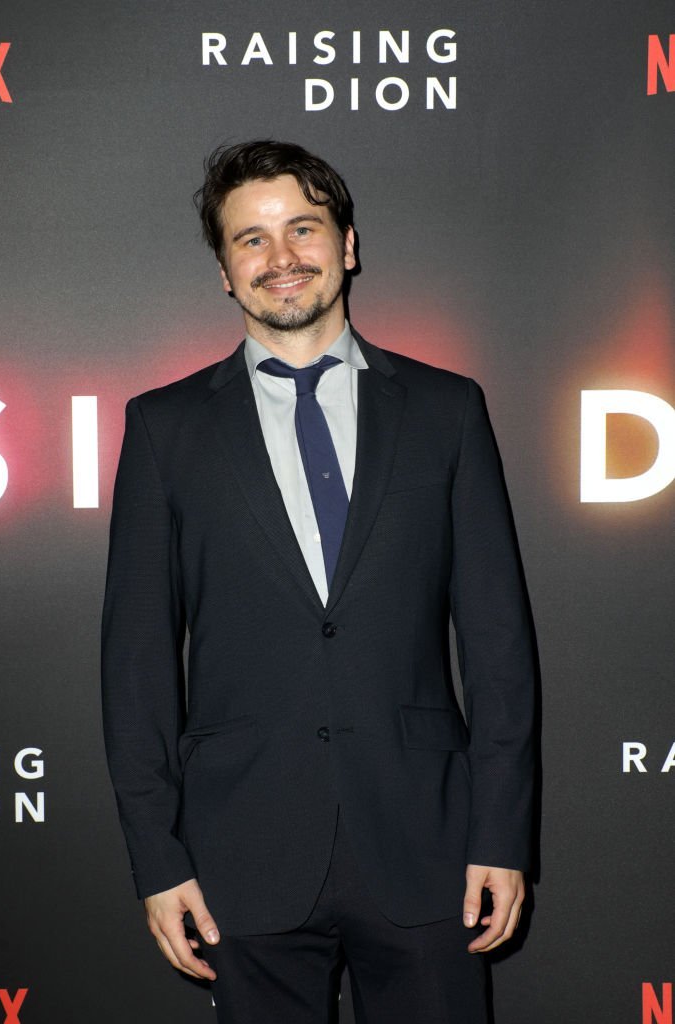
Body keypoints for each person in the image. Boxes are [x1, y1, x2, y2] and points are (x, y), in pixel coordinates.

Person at [101, 140, 536, 1024]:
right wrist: (159, 857)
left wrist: (501, 833)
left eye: (302, 228)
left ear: (348, 244)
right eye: (250, 240)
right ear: (224, 271)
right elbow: (137, 664)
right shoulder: (164, 430)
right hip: (238, 856)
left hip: (428, 845)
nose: (281, 257)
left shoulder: (448, 411)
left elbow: (498, 645)